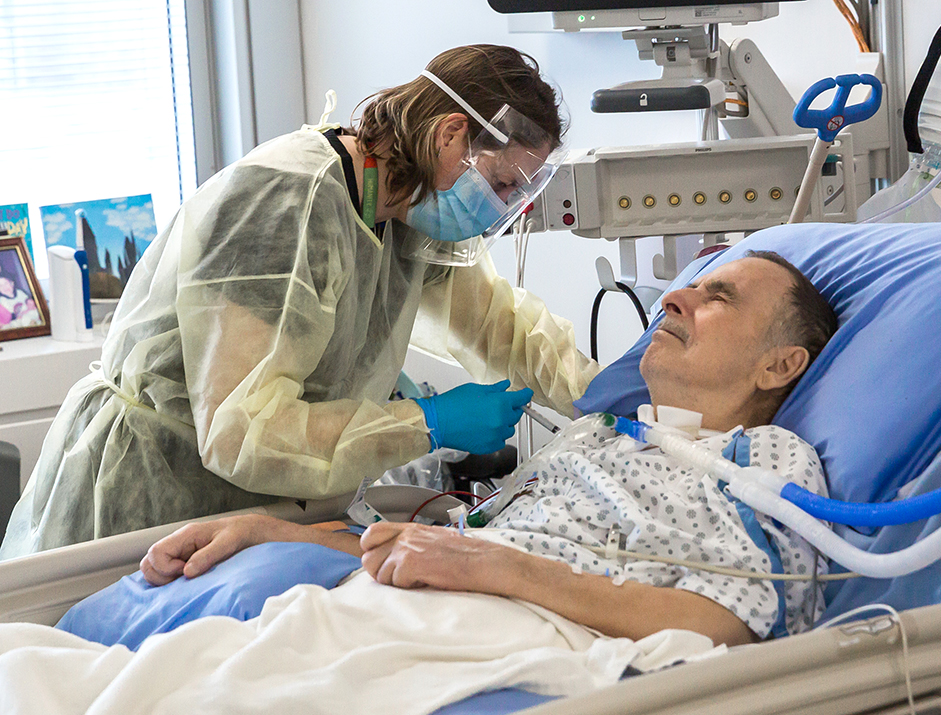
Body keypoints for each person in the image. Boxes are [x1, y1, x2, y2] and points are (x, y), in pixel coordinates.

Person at [0, 45, 599, 559]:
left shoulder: (409, 208)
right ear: (449, 135)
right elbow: (243, 430)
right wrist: (429, 423)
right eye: (499, 185)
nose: (502, 208)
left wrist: (601, 391)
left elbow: (501, 327)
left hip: (254, 515)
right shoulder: (285, 203)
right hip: (149, 494)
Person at [100, 251, 839, 651]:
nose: (675, 298)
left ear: (781, 366)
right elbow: (452, 542)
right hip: (418, 603)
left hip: (522, 632)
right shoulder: (598, 437)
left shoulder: (769, 460)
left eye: (720, 297)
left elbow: (734, 621)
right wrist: (278, 532)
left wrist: (510, 570)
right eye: (688, 286)